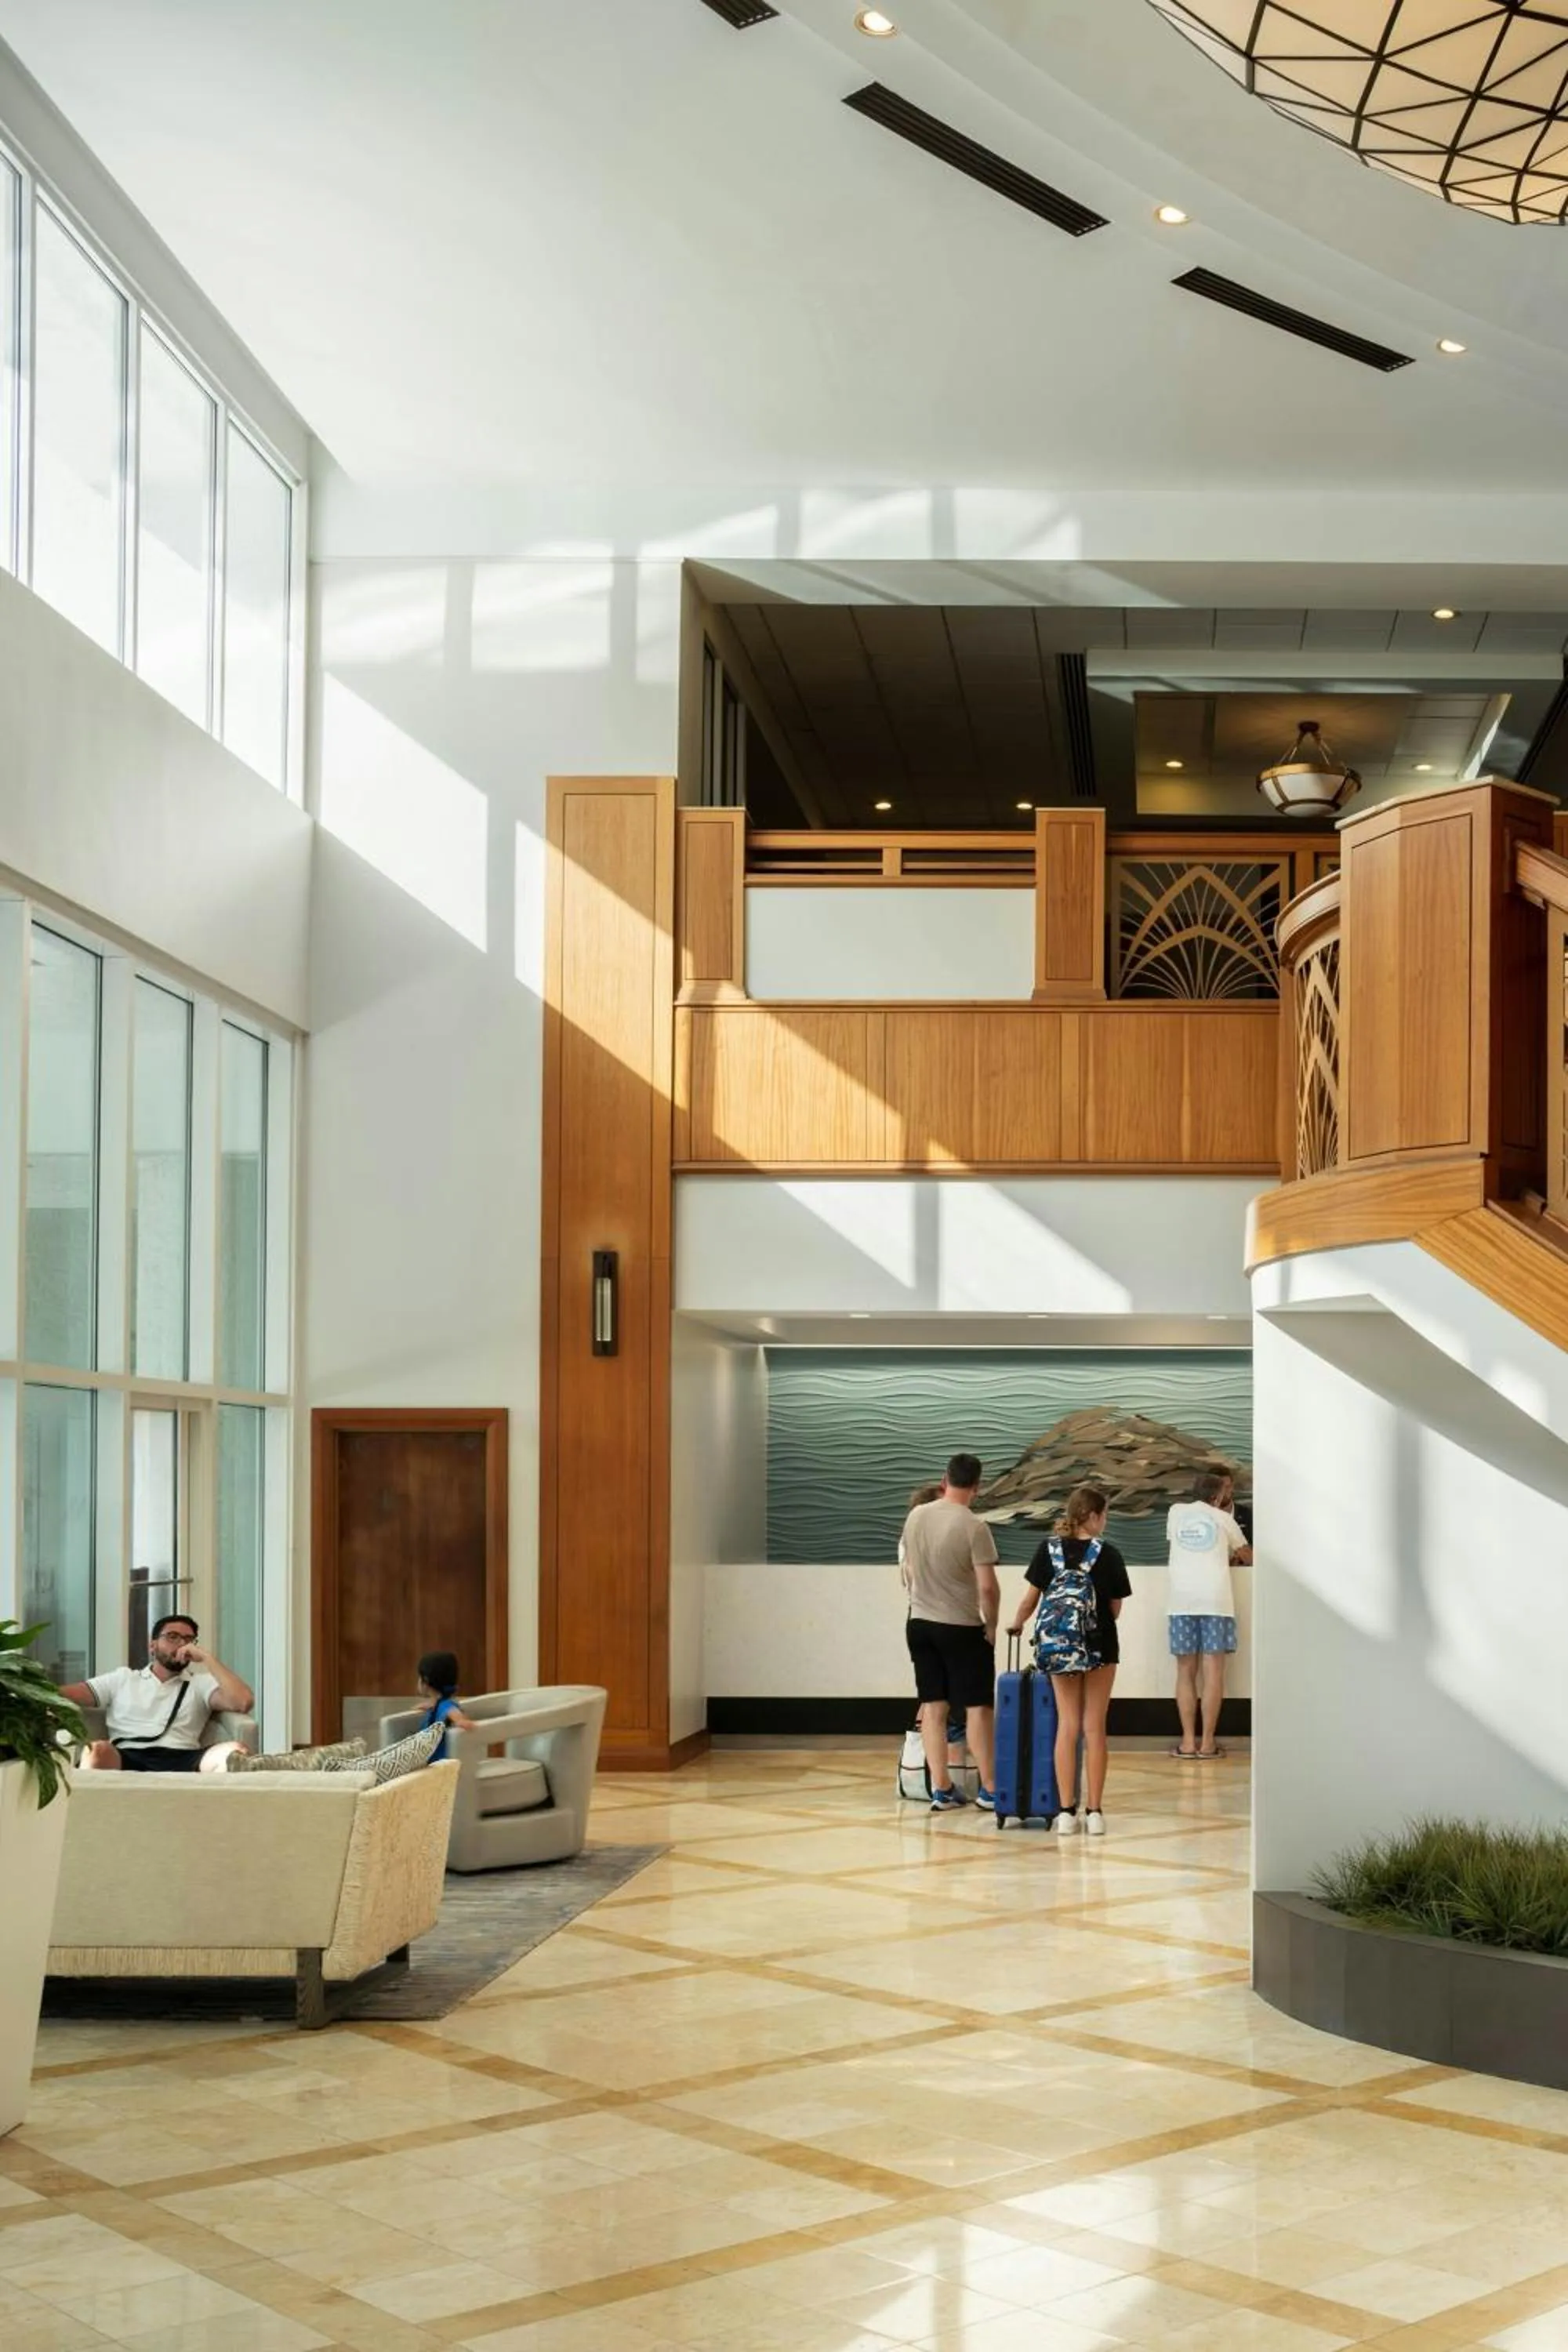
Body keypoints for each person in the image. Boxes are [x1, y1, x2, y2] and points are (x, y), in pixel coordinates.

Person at [1011, 1483, 1131, 1838]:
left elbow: (1030, 1601)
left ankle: (1065, 1813)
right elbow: (1115, 1609)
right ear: (1092, 1516)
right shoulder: (1108, 1554)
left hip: (1057, 1649)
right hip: (1101, 1648)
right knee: (1095, 1727)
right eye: (1104, 1514)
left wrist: (1016, 1624)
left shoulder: (1047, 1550)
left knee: (1068, 1725)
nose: (1105, 1520)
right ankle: (1094, 1812)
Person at [899, 1454, 999, 1812]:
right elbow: (987, 1588)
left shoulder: (916, 1516)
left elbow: (910, 1569)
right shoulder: (974, 1527)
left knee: (934, 1706)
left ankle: (941, 1788)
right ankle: (989, 1788)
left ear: (945, 1479)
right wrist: (991, 1624)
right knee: (977, 1707)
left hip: (919, 1624)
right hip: (960, 1627)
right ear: (977, 1486)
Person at [61, 1613, 254, 1773]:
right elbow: (66, 1694)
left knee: (236, 1752)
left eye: (188, 1640)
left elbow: (243, 1701)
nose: (181, 1644)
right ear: (152, 1645)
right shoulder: (123, 1679)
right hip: (127, 1754)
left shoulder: (200, 1684)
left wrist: (207, 1658)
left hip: (184, 1757)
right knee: (97, 1750)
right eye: (172, 1637)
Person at [1166, 1469, 1252, 1761]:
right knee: (1214, 1673)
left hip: (1181, 1602)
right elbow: (1247, 1555)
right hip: (1216, 1602)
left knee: (1185, 1672)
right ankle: (1208, 1744)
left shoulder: (1175, 1512)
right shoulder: (1224, 1518)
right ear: (1217, 1496)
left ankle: (1187, 1743)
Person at [900, 1480, 967, 1769]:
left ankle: (938, 1775)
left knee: (935, 1695)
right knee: (942, 1697)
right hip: (942, 1619)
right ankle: (944, 1772)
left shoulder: (909, 1540)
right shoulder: (918, 1543)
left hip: (920, 1618)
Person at [416, 1652, 477, 1761]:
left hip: (437, 1764)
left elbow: (452, 1711)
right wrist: (430, 1706)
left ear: (426, 1681)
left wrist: (460, 1720)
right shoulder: (438, 1704)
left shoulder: (445, 1705)